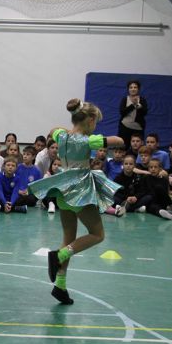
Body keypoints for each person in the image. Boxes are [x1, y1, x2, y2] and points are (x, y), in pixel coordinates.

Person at [29, 99, 124, 305]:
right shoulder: (88, 141)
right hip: (80, 191)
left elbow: (53, 130)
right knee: (97, 234)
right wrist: (99, 140)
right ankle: (59, 255)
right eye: (95, 121)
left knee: (69, 236)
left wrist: (68, 128)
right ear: (90, 120)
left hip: (63, 189)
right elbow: (119, 140)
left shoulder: (61, 136)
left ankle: (60, 285)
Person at [117, 80, 148, 149]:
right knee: (123, 147)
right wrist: (132, 105)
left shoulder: (142, 100)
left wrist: (137, 105)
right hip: (125, 127)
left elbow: (144, 113)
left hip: (138, 128)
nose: (133, 89)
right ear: (128, 89)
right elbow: (122, 112)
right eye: (131, 87)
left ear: (138, 89)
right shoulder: (125, 99)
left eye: (135, 87)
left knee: (138, 148)